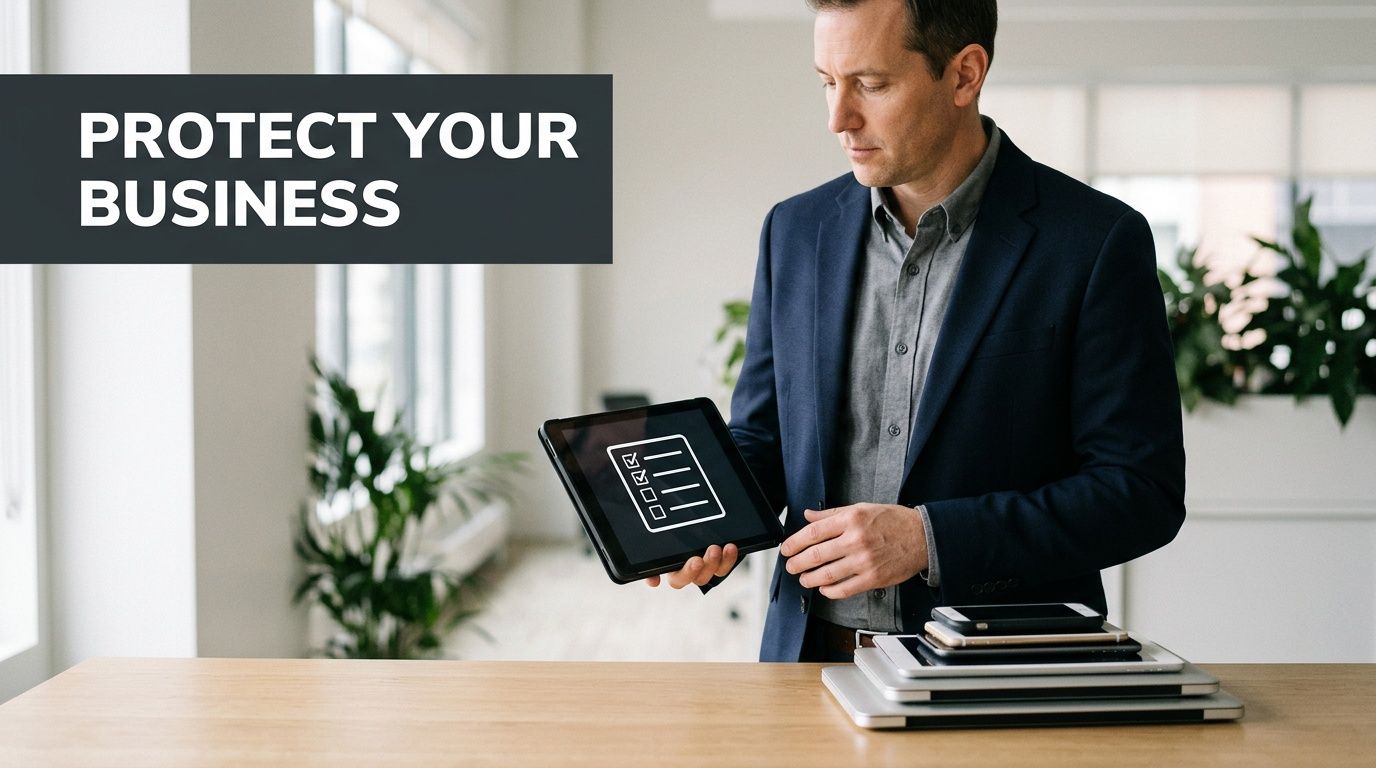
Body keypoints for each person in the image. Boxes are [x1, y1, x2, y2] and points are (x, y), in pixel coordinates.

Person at [647, 0, 1185, 663]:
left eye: (870, 84)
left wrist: (928, 539)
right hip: (811, 657)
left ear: (964, 75)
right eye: (826, 81)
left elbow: (1140, 492)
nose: (838, 118)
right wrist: (703, 520)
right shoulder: (794, 231)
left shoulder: (1095, 241)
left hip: (1001, 670)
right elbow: (764, 438)